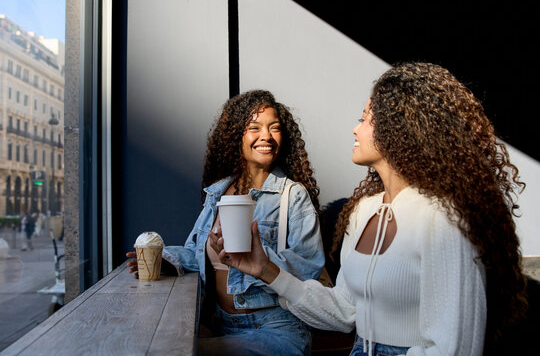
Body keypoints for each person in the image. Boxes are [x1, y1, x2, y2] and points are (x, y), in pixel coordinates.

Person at [210, 62, 528, 356]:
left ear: (399, 129)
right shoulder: (363, 211)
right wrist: (266, 270)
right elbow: (345, 310)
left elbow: (455, 349)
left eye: (365, 119)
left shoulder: (442, 219)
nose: (355, 129)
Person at [126, 90, 325, 356]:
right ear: (235, 136)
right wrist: (166, 259)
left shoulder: (292, 196)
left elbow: (308, 267)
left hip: (275, 328)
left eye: (274, 128)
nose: (266, 136)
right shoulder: (217, 194)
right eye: (254, 128)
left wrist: (258, 259)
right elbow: (197, 253)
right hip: (222, 325)